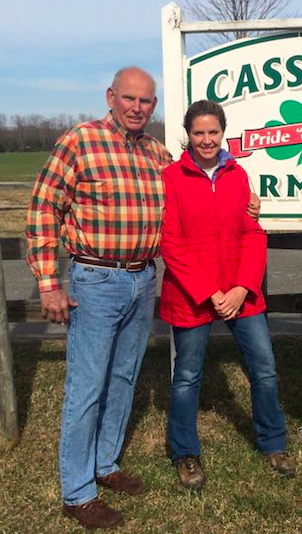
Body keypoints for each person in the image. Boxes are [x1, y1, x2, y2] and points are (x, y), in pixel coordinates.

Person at [26, 68, 260, 529]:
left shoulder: (158, 154)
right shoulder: (80, 141)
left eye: (146, 101)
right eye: (129, 98)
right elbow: (43, 208)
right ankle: (77, 491)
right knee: (87, 386)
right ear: (111, 96)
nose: (137, 107)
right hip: (95, 278)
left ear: (154, 106)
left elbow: (199, 186)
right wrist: (50, 282)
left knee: (123, 377)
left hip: (141, 280)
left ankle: (106, 464)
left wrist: (247, 204)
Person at [159, 99, 295, 492]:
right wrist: (210, 292)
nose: (206, 139)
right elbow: (172, 243)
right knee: (186, 377)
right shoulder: (173, 177)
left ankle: (273, 442)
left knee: (265, 369)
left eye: (213, 132)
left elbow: (253, 232)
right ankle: (185, 452)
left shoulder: (238, 175)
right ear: (189, 134)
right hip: (193, 295)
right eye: (198, 132)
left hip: (241, 291)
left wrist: (241, 287)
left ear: (223, 133)